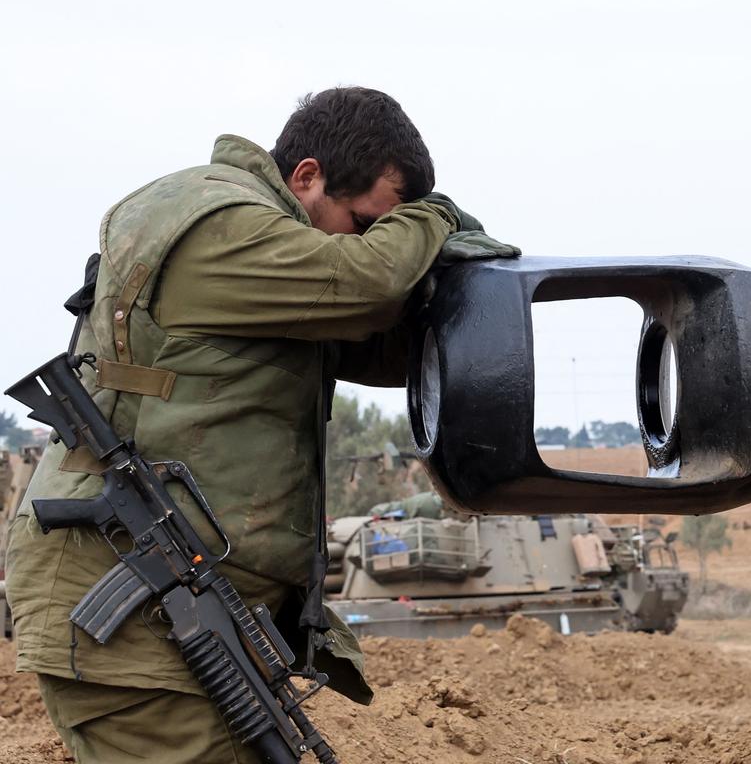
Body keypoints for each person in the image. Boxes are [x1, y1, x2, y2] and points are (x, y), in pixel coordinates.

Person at [3, 86, 518, 763]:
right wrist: (438, 216)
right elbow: (369, 283)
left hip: (174, 604)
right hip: (129, 617)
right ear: (306, 177)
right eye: (365, 220)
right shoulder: (219, 226)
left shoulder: (269, 256)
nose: (370, 239)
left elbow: (390, 337)